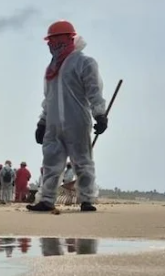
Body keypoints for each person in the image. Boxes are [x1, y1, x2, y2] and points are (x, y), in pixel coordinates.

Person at [28, 20, 107, 213]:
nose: (50, 45)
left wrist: (100, 114)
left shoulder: (84, 62)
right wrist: (42, 122)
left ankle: (87, 199)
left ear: (67, 39)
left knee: (82, 161)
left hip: (77, 121)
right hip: (54, 125)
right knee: (50, 163)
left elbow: (94, 91)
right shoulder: (51, 69)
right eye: (49, 41)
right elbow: (49, 98)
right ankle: (46, 200)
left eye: (54, 40)